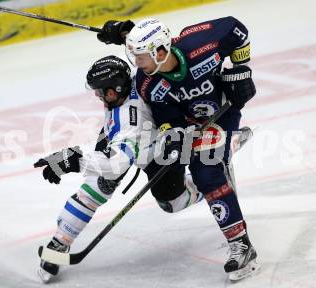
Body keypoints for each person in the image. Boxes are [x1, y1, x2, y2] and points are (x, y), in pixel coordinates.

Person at [96, 17, 259, 281]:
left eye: (140, 56)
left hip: (223, 113)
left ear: (160, 52)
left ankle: (241, 245)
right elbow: (166, 116)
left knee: (206, 172)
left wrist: (241, 69)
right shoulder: (147, 83)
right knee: (177, 190)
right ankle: (227, 148)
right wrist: (172, 133)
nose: (135, 63)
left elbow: (237, 28)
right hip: (194, 125)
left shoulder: (201, 43)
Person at [33, 55, 204, 283]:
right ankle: (59, 242)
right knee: (96, 186)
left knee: (173, 203)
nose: (97, 95)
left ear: (115, 89)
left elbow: (115, 165)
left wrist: (74, 160)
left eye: (101, 91)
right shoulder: (132, 80)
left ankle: (212, 180)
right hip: (127, 138)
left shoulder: (128, 120)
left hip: (157, 151)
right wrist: (122, 32)